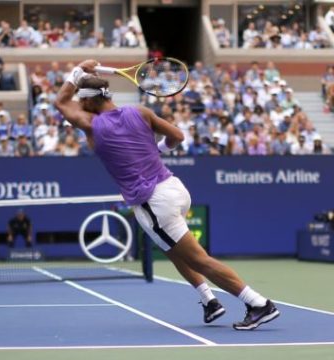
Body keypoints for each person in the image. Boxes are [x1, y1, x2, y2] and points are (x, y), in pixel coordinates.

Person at [54, 59, 280, 331]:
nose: (79, 104)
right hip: (175, 189)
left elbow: (61, 101)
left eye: (82, 100)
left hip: (152, 202)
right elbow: (177, 136)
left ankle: (258, 304)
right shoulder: (141, 112)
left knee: (199, 259)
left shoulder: (91, 125)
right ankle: (209, 301)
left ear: (89, 102)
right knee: (172, 250)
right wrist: (158, 150)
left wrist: (78, 69)